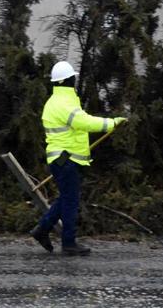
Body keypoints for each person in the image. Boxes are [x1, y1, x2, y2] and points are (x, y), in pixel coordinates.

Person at [31, 60, 125, 256]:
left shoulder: (55, 101)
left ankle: (42, 230)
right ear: (68, 80)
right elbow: (84, 122)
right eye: (73, 78)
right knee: (71, 201)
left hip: (62, 160)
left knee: (66, 198)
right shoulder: (63, 103)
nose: (75, 80)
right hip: (67, 160)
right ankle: (69, 243)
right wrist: (111, 123)